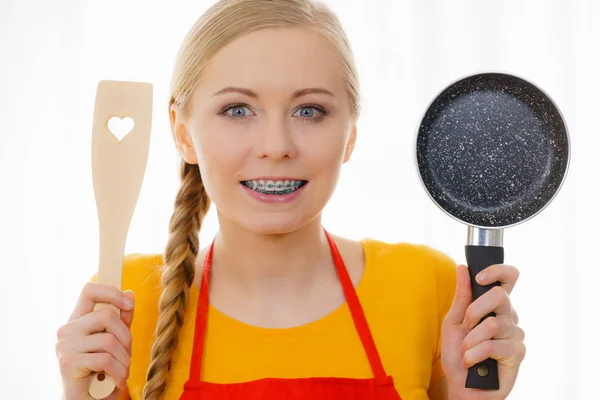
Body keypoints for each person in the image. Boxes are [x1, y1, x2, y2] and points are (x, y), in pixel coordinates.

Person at [55, 0, 526, 399]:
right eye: (238, 109)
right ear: (183, 133)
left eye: (310, 110)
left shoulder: (431, 287)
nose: (276, 144)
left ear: (350, 135)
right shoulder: (124, 302)